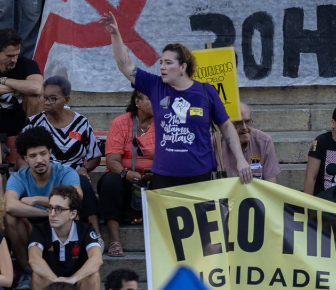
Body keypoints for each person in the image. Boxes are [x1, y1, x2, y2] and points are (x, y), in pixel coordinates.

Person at [103, 12, 251, 188]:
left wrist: (240, 160)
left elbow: (226, 126)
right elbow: (125, 65)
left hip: (200, 174)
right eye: (161, 63)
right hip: (164, 176)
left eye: (168, 63)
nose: (162, 68)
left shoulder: (206, 91)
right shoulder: (155, 86)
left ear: (182, 67)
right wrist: (115, 34)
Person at [3, 127, 81, 283]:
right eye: (32, 156)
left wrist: (37, 199)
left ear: (50, 152)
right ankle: (26, 270)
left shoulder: (66, 173)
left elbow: (76, 197)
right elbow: (9, 205)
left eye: (43, 154)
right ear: (25, 157)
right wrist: (49, 212)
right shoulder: (18, 178)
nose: (39, 160)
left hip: (60, 227)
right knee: (10, 218)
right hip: (32, 225)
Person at [26, 75, 100, 237]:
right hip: (46, 175)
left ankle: (96, 235)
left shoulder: (81, 123)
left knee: (79, 179)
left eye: (52, 99)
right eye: (44, 97)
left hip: (74, 176)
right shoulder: (34, 123)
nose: (46, 102)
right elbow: (21, 157)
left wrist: (85, 168)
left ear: (66, 100)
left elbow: (95, 156)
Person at [97, 89, 154, 258]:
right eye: (151, 99)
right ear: (137, 101)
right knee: (109, 181)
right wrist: (126, 173)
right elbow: (112, 161)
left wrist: (156, 173)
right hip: (126, 179)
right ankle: (114, 240)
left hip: (154, 178)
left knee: (169, 180)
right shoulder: (121, 123)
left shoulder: (164, 122)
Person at [26, 186, 101, 290]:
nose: (52, 214)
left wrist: (72, 279)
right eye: (50, 208)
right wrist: (57, 281)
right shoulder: (40, 229)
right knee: (37, 276)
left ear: (72, 214)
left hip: (77, 281)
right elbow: (34, 259)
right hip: (51, 282)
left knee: (93, 276)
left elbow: (96, 259)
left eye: (59, 209)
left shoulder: (85, 229)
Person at [0, 29, 43, 135]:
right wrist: (21, 87)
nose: (14, 60)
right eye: (9, 56)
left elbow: (37, 88)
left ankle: (32, 140)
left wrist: (3, 81)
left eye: (17, 55)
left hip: (22, 117)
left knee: (34, 97)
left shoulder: (28, 64)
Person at [216, 102, 279, 183]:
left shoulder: (264, 142)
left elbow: (271, 185)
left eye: (247, 121)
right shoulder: (217, 142)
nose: (245, 127)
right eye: (238, 123)